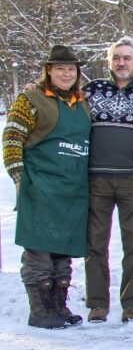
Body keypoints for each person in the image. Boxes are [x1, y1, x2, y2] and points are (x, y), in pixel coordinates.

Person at [3, 45, 92, 329]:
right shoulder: (31, 100)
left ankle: (59, 307)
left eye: (71, 69)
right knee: (39, 250)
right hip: (41, 184)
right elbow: (12, 138)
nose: (66, 74)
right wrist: (19, 177)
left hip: (72, 187)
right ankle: (40, 311)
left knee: (62, 251)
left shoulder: (81, 103)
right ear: (49, 71)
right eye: (60, 69)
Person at [82, 37, 133, 323]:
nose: (121, 62)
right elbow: (65, 111)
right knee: (94, 244)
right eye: (116, 57)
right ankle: (97, 303)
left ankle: (131, 303)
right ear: (109, 61)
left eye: (127, 57)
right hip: (96, 179)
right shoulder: (91, 91)